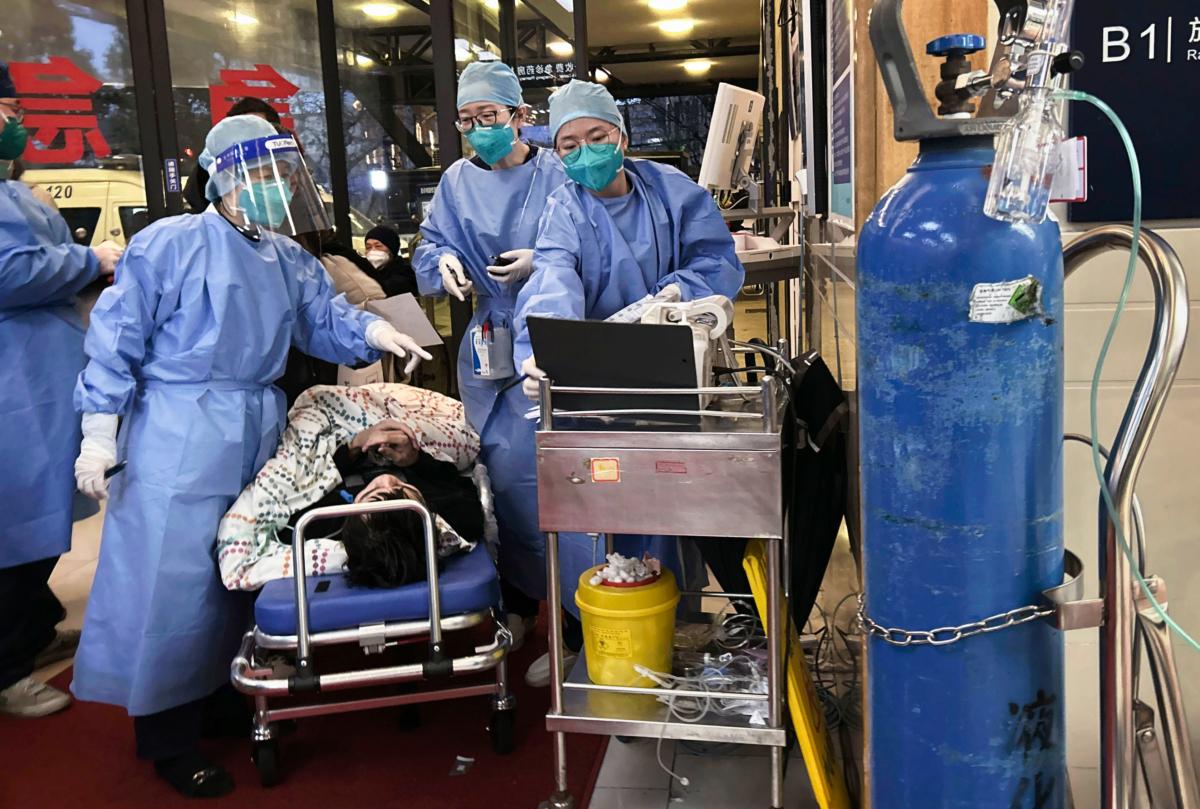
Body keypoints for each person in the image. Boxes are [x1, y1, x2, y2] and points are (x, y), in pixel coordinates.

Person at [69, 114, 431, 798]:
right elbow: (117, 337)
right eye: (263, 174)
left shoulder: (285, 257)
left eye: (283, 176)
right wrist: (98, 430)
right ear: (223, 176)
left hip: (255, 420)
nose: (275, 187)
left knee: (240, 571)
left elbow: (323, 319)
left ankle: (221, 696)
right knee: (171, 579)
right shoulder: (171, 244)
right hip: (178, 426)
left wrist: (376, 329)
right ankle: (167, 735)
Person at [490, 79, 745, 685]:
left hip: (671, 373)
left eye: (597, 136)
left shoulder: (671, 191)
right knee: (593, 516)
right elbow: (553, 279)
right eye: (569, 144)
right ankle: (595, 640)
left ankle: (673, 638)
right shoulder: (565, 208)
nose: (585, 152)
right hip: (596, 382)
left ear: (622, 137)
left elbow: (717, 260)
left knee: (669, 511)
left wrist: (679, 291)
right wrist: (541, 354)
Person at [412, 60, 566, 652]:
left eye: (489, 116)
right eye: (467, 120)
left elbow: (591, 237)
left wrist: (544, 261)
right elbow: (431, 244)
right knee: (503, 481)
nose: (479, 130)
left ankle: (576, 623)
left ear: (519, 115)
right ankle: (521, 606)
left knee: (565, 481)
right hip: (488, 340)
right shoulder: (456, 181)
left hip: (553, 333)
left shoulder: (557, 171)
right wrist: (442, 262)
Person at [0, 65, 123, 718]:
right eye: (6, 109)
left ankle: (34, 625)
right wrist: (89, 260)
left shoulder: (15, 193)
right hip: (15, 384)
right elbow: (8, 273)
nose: (15, 121)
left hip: (41, 373)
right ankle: (6, 667)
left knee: (42, 516)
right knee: (17, 525)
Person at [215, 384, 485, 592]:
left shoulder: (318, 524)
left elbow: (301, 487)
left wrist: (355, 445)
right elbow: (460, 485)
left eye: (375, 495)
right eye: (401, 491)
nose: (387, 481)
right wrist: (415, 460)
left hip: (343, 445)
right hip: (403, 442)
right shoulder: (454, 515)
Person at [181, 96, 281, 213]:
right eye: (242, 130)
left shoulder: (289, 167)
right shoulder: (211, 170)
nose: (249, 138)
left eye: (258, 128)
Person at [363, 224, 419, 297]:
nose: (372, 251)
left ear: (391, 249)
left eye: (378, 246)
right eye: (368, 247)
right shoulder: (367, 272)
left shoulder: (404, 273)